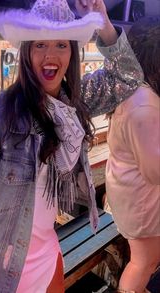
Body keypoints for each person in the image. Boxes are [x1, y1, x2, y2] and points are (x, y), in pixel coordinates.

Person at [0, 0, 143, 292]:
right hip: (1, 266)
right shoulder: (0, 114)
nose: (50, 55)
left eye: (61, 45)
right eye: (39, 44)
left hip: (46, 250)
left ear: (72, 53)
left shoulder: (73, 102)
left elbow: (126, 77)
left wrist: (102, 20)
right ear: (26, 52)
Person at [105, 16, 160, 293]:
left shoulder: (135, 91)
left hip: (129, 193)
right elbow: (155, 170)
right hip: (142, 201)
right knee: (143, 263)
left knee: (144, 261)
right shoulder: (144, 103)